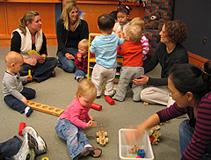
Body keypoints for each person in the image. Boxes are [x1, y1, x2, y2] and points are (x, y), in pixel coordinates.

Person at [126, 63, 211, 160]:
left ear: (188, 96)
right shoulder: (193, 98)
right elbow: (165, 114)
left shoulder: (207, 106)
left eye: (172, 92)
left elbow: (194, 151)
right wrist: (141, 128)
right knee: (185, 126)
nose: (170, 95)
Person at [133, 20, 188, 106]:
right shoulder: (162, 46)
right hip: (166, 86)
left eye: (163, 31)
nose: (160, 34)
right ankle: (175, 101)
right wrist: (136, 71)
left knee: (175, 110)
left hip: (176, 87)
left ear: (172, 35)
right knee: (144, 94)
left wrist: (149, 80)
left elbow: (173, 80)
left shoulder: (181, 55)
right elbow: (151, 64)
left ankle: (179, 101)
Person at [55, 79, 102, 160]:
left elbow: (84, 113)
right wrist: (85, 125)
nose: (89, 104)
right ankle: (75, 153)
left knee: (81, 134)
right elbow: (74, 119)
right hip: (63, 124)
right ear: (79, 96)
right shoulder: (76, 106)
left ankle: (87, 146)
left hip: (73, 124)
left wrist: (88, 119)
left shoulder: (86, 104)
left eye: (91, 102)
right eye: (87, 101)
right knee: (73, 132)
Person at [11, 11, 58, 83]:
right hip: (23, 63)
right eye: (37, 21)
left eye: (40, 20)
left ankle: (31, 77)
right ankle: (43, 74)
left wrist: (43, 57)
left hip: (36, 62)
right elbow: (13, 56)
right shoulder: (17, 35)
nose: (40, 23)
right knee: (19, 69)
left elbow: (44, 52)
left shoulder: (41, 34)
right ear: (28, 23)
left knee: (54, 61)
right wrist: (26, 61)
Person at [90, 14, 124, 98]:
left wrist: (91, 45)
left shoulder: (96, 39)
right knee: (110, 80)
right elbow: (121, 42)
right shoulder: (115, 37)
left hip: (100, 66)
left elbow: (92, 50)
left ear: (98, 27)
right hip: (112, 66)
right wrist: (122, 36)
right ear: (112, 27)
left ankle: (97, 93)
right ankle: (109, 92)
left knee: (96, 80)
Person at [113, 24, 144, 102]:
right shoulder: (140, 44)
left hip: (127, 68)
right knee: (138, 84)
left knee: (123, 83)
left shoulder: (125, 44)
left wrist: (120, 42)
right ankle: (137, 97)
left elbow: (120, 52)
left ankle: (119, 96)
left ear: (128, 37)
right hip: (139, 68)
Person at [56, 3, 89, 73]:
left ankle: (67, 62)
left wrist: (81, 53)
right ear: (67, 14)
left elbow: (85, 41)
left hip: (78, 50)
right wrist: (66, 53)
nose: (75, 14)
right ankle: (59, 62)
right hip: (64, 50)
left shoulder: (83, 24)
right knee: (71, 67)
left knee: (83, 64)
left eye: (77, 12)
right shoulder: (60, 24)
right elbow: (60, 43)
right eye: (72, 12)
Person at [2, 51, 35, 117]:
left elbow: (18, 79)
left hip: (19, 89)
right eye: (20, 66)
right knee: (12, 102)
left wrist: (26, 78)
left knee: (32, 93)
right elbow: (12, 91)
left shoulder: (15, 72)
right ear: (13, 65)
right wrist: (22, 98)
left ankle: (19, 99)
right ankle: (25, 108)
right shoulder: (8, 78)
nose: (21, 68)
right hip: (10, 94)